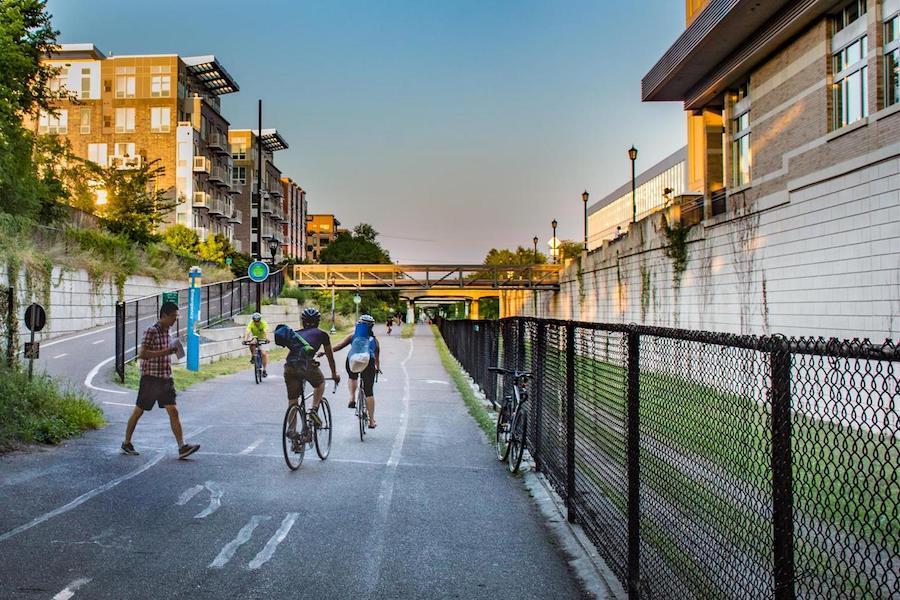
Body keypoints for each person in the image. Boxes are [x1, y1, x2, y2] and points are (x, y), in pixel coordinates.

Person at [122, 301, 200, 459]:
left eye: (176, 317)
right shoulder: (151, 331)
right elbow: (142, 354)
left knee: (173, 410)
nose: (174, 320)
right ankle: (126, 442)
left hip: (165, 378)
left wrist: (173, 350)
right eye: (172, 316)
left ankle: (182, 446)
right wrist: (166, 351)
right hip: (150, 378)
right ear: (163, 315)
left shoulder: (168, 331)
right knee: (139, 411)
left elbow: (165, 350)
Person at [284, 307, 340, 443]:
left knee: (293, 401)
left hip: (289, 367)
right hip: (306, 366)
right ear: (318, 322)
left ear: (303, 321)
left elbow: (292, 353)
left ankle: (292, 432)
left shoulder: (295, 334)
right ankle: (314, 410)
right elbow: (330, 357)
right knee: (320, 383)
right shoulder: (322, 335)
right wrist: (334, 374)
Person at [332, 314, 380, 428]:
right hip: (369, 362)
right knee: (369, 391)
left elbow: (339, 346)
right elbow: (377, 356)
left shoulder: (353, 336)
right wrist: (378, 367)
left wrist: (325, 352)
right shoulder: (374, 340)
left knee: (352, 377)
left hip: (352, 360)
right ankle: (371, 421)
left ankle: (352, 397)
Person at [243, 312, 269, 377]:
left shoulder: (263, 323)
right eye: (255, 321)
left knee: (264, 354)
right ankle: (253, 356)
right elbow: (247, 331)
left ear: (260, 320)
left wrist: (266, 339)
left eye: (258, 321)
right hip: (255, 338)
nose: (256, 322)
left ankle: (264, 370)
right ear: (253, 320)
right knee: (251, 344)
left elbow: (265, 331)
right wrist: (245, 339)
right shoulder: (251, 323)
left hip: (263, 338)